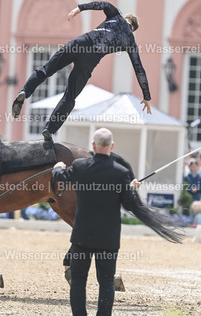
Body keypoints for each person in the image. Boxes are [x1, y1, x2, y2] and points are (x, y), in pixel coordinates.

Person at [12, 1, 152, 142]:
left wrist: (80, 8)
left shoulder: (116, 15)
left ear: (126, 18)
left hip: (80, 43)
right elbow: (139, 68)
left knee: (46, 70)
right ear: (133, 29)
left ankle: (25, 91)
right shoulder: (130, 41)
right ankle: (49, 129)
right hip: (90, 59)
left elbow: (104, 4)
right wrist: (146, 96)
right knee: (70, 96)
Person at [52, 128, 141, 316]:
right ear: (112, 146)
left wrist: (58, 167)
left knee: (78, 280)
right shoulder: (121, 172)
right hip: (108, 239)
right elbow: (129, 204)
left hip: (82, 236)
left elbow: (59, 179)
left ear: (93, 145)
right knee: (106, 281)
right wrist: (132, 189)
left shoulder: (80, 166)